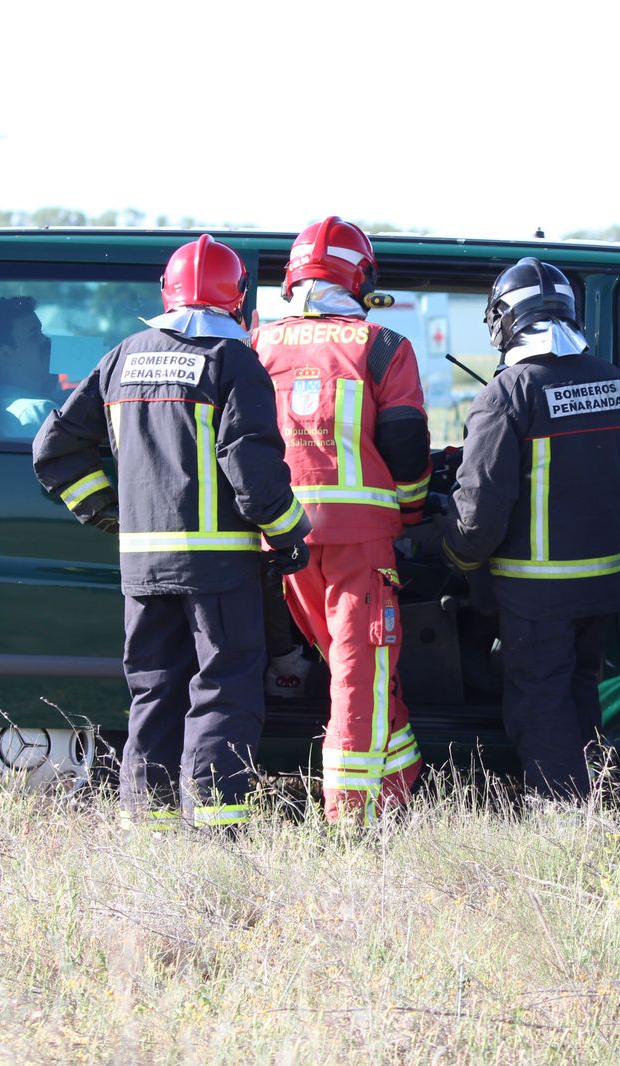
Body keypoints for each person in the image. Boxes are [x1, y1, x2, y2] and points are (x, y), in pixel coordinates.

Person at [33, 235, 310, 830]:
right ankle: (216, 828)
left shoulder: (122, 356)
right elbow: (251, 467)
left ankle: (151, 825)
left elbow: (53, 448)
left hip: (141, 568)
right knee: (223, 687)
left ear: (167, 292)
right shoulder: (233, 361)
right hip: (217, 569)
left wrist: (105, 511)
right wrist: (290, 533)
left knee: (154, 690)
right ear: (237, 300)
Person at [430, 258, 620, 800]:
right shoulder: (611, 380)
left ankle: (560, 814)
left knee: (539, 700)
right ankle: (592, 797)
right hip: (603, 580)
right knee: (579, 690)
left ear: (505, 319)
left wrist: (453, 556)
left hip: (536, 590)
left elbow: (478, 511)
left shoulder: (508, 393)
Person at [250, 216, 428, 824]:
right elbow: (406, 445)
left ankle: (401, 782)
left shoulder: (257, 344)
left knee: (356, 664)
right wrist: (415, 510)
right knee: (359, 668)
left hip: (286, 540)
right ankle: (350, 817)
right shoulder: (382, 345)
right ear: (361, 276)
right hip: (363, 540)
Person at [0, 296, 62, 437]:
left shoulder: (7, 405)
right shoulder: (38, 412)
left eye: (41, 332)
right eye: (34, 335)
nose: (45, 339)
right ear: (6, 355)